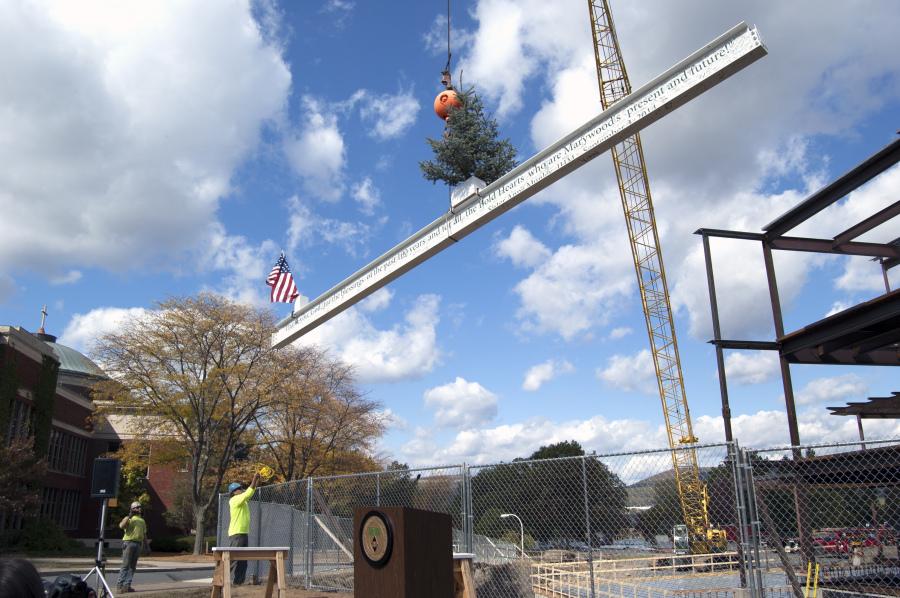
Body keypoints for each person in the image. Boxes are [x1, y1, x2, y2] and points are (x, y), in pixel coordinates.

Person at [228, 472, 260, 585]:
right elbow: (248, 493)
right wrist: (254, 478)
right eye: (239, 488)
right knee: (232, 559)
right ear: (233, 492)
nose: (241, 489)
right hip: (237, 533)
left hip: (242, 533)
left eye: (241, 488)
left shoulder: (243, 500)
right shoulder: (234, 500)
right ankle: (220, 580)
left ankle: (238, 582)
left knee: (242, 560)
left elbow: (250, 492)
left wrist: (256, 481)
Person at [117, 500, 147, 593]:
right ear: (132, 509)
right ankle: (119, 586)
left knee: (132, 567)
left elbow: (144, 534)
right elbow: (121, 526)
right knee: (125, 565)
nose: (139, 509)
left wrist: (147, 546)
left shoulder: (142, 520)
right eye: (137, 507)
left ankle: (127, 586)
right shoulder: (128, 518)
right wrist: (129, 516)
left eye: (140, 507)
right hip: (128, 543)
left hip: (138, 544)